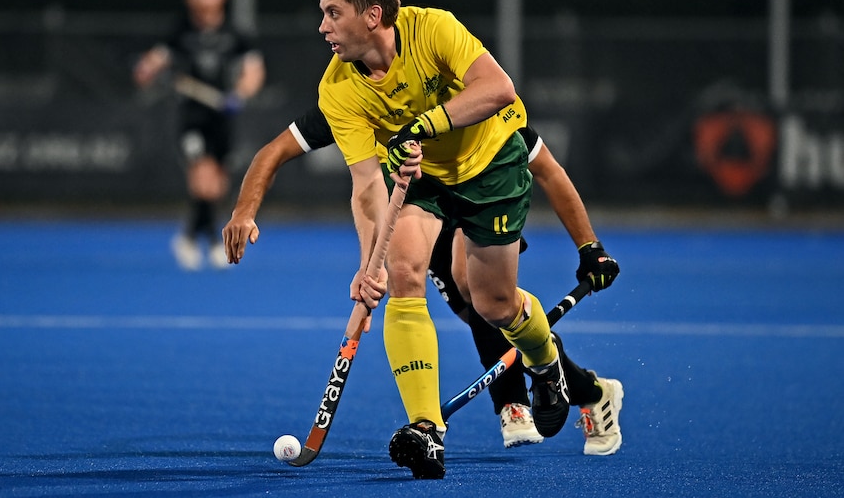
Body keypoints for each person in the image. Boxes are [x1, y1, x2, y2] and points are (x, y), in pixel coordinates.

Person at [308, 0, 619, 479]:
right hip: (422, 179)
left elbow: (499, 88)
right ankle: (427, 430)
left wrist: (423, 125)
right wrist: (369, 264)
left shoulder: (434, 29)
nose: (323, 27)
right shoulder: (337, 89)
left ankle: (546, 366)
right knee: (404, 275)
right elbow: (365, 185)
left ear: (373, 15)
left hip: (491, 165)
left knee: (494, 306)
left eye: (333, 13)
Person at [223, 107, 620, 451]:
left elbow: (547, 168)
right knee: (472, 310)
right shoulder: (352, 97)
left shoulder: (462, 96)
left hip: (481, 194)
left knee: (479, 291)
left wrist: (590, 247)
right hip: (419, 202)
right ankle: (591, 389)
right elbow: (275, 152)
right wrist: (244, 210)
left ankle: (511, 400)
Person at [133, 0, 266, 270]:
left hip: (223, 118)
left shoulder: (235, 35)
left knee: (218, 186)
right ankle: (208, 241)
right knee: (203, 179)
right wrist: (147, 70)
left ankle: (192, 236)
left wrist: (240, 95)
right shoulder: (179, 33)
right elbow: (149, 66)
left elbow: (254, 71)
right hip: (192, 118)